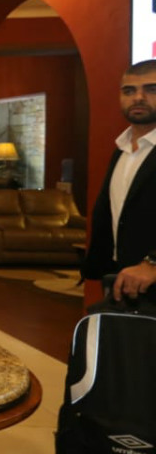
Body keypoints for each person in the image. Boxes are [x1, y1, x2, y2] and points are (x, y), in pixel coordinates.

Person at [82, 59, 156, 300]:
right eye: (129, 91)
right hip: (122, 279)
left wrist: (153, 263)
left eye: (151, 89)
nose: (138, 98)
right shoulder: (122, 149)